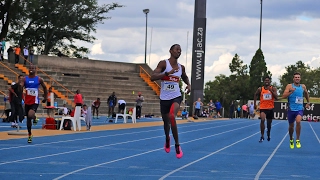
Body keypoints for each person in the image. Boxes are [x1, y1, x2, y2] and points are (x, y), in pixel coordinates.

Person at [150, 44, 191, 159]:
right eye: (177, 50)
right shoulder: (163, 64)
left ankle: (177, 145)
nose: (179, 52)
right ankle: (167, 138)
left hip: (176, 96)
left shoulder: (181, 67)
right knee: (166, 122)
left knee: (172, 116)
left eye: (180, 50)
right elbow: (152, 77)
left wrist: (189, 84)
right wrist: (167, 73)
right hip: (164, 98)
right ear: (171, 51)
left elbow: (184, 76)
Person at [282, 72, 310, 149]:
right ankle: (291, 139)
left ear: (300, 78)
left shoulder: (303, 86)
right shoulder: (289, 86)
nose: (297, 78)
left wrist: (308, 102)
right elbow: (283, 96)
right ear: (293, 79)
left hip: (299, 109)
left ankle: (297, 139)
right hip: (291, 109)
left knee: (298, 121)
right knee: (291, 126)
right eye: (296, 77)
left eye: (298, 77)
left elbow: (306, 94)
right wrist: (291, 91)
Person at [24, 65, 48, 143]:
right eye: (30, 68)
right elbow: (20, 86)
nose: (31, 69)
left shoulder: (39, 79)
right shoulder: (25, 79)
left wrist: (45, 97)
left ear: (35, 70)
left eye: (33, 68)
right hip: (27, 101)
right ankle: (30, 134)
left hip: (34, 101)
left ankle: (34, 118)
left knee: (30, 115)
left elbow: (45, 88)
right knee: (28, 120)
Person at [254, 76, 278, 143]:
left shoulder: (273, 88)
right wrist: (255, 103)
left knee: (269, 124)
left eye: (268, 80)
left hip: (270, 108)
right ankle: (262, 135)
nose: (267, 81)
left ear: (270, 81)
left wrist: (271, 91)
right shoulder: (260, 89)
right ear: (264, 81)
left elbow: (276, 97)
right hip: (263, 108)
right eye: (265, 80)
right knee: (262, 120)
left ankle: (268, 133)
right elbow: (255, 94)